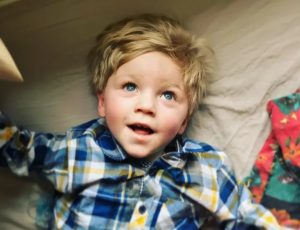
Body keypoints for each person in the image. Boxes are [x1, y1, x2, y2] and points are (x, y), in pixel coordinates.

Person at [0, 14, 281, 229]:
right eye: (130, 87)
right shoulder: (80, 152)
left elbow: (249, 218)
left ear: (184, 121)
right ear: (102, 102)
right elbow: (13, 147)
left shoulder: (206, 168)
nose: (146, 106)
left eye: (168, 95)